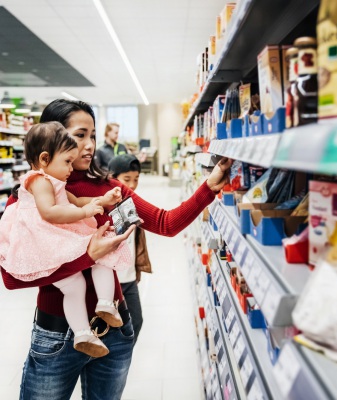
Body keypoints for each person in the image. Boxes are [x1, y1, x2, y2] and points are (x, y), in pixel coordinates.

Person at [0, 98, 231, 399]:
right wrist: (88, 255)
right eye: (79, 135)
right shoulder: (31, 196)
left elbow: (166, 223)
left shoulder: (109, 190)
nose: (89, 145)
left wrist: (209, 187)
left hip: (115, 333)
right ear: (52, 136)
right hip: (57, 336)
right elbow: (12, 277)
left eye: (93, 135)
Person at [0, 121, 133, 358]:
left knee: (96, 265)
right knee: (79, 279)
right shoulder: (38, 181)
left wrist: (103, 199)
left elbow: (78, 202)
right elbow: (49, 212)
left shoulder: (56, 181)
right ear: (44, 159)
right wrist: (84, 214)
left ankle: (102, 307)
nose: (71, 168)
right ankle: (83, 331)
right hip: (46, 242)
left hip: (59, 236)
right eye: (67, 162)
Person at [108, 154, 150, 345]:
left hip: (129, 278)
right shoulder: (104, 205)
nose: (132, 185)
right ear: (112, 177)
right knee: (109, 328)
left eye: (136, 179)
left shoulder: (132, 203)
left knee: (136, 321)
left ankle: (119, 360)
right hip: (109, 280)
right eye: (127, 180)